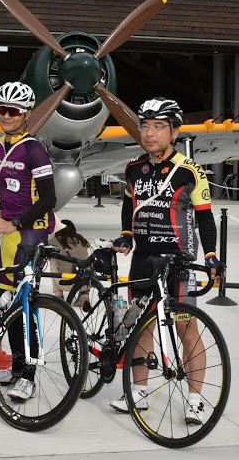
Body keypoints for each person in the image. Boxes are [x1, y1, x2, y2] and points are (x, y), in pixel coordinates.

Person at [111, 97, 221, 425]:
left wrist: (212, 256)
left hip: (178, 262)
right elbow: (129, 207)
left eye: (158, 126)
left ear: (174, 131)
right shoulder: (133, 169)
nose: (149, 133)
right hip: (142, 260)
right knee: (139, 326)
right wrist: (126, 234)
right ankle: (140, 393)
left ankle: (195, 400)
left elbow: (205, 218)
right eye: (144, 125)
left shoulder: (189, 170)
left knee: (187, 328)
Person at [0, 81, 57, 402]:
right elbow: (6, 194)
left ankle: (29, 374)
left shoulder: (34, 149)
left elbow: (49, 198)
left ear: (26, 114)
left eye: (13, 111)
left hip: (32, 232)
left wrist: (14, 222)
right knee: (5, 304)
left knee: (25, 305)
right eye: (2, 109)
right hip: (10, 234)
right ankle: (15, 366)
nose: (6, 116)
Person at [48, 219, 91, 298]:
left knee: (53, 260)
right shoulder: (81, 240)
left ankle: (59, 294)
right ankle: (84, 295)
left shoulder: (53, 241)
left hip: (66, 282)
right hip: (86, 281)